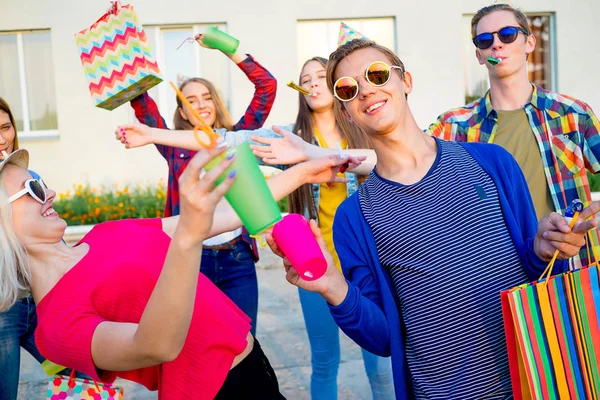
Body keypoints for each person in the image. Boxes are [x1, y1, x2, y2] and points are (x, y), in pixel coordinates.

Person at [265, 38, 599, 399]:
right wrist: (334, 287)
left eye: (376, 75)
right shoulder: (354, 216)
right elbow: (383, 339)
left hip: (536, 381)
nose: (365, 91)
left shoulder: (491, 162)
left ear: (405, 81)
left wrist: (544, 247)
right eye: (348, 89)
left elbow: (531, 265)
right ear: (345, 111)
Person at [119, 56, 395, 400]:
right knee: (323, 360)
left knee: (382, 365)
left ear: (339, 84)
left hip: (363, 262)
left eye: (320, 76)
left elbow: (389, 164)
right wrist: (148, 131)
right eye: (305, 78)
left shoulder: (365, 128)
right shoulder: (284, 137)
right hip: (311, 259)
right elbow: (223, 140)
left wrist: (227, 49)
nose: (311, 83)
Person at [0, 145, 355, 399]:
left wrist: (305, 172)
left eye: (40, 181)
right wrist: (188, 236)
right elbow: (155, 345)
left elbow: (223, 217)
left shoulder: (103, 233)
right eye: (31, 189)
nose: (50, 193)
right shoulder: (54, 327)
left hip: (253, 365)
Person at [426, 3, 600, 270]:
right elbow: (404, 155)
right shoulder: (455, 125)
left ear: (529, 42)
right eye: (485, 40)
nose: (496, 45)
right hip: (496, 273)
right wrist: (345, 157)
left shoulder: (572, 113)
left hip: (573, 267)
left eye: (507, 34)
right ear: (479, 56)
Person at [130, 35, 277, 335]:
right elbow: (142, 101)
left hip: (237, 258)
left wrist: (228, 49)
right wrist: (126, 46)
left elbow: (267, 88)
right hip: (193, 261)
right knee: (199, 347)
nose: (200, 104)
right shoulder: (172, 146)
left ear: (215, 103)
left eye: (206, 97)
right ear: (182, 113)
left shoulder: (239, 137)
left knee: (245, 345)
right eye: (191, 100)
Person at [0, 96, 50, 400]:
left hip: (38, 302)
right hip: (3, 309)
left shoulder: (26, 177)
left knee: (80, 377)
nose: (1, 137)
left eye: (5, 127)